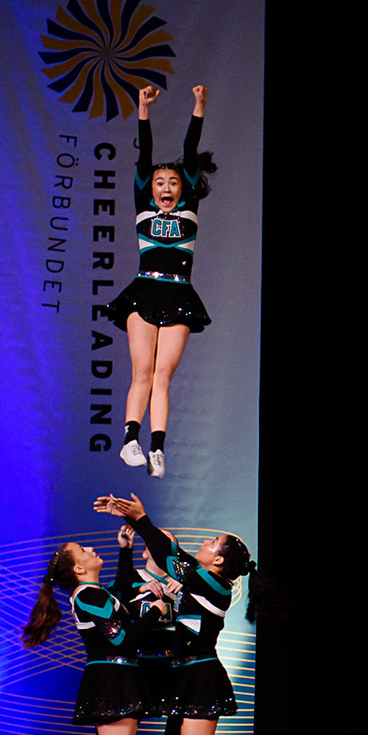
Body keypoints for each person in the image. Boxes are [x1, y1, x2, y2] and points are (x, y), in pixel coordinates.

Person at [96, 493, 250, 735]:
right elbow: (167, 564)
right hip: (184, 676)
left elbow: (170, 556)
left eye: (212, 542)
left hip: (200, 675)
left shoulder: (211, 582)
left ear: (218, 560)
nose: (205, 542)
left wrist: (140, 519)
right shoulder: (198, 581)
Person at [21, 525, 158, 735]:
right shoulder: (88, 596)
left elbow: (121, 588)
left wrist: (125, 549)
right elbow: (121, 639)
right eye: (84, 550)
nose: (92, 550)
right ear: (79, 568)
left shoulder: (96, 593)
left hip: (112, 677)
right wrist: (157, 609)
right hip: (113, 680)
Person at [108, 84, 218, 478]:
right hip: (144, 289)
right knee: (142, 370)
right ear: (149, 188)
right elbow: (144, 154)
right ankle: (130, 441)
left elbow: (190, 150)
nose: (166, 187)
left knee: (162, 376)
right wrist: (143, 109)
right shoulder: (143, 202)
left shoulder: (188, 204)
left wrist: (199, 106)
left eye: (173, 182)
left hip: (179, 293)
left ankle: (157, 448)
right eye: (159, 182)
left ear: (183, 187)